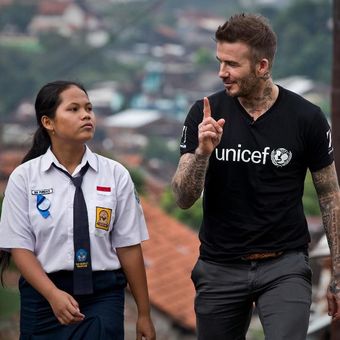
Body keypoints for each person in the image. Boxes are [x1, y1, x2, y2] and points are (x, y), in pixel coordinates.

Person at [172, 13, 340, 340]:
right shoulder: (204, 113)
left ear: (262, 67)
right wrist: (202, 152)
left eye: (232, 64)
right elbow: (182, 197)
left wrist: (337, 275)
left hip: (284, 265)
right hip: (220, 264)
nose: (222, 72)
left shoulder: (306, 117)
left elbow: (330, 197)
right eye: (220, 62)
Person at [0, 80, 156, 340]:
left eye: (89, 108)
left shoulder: (115, 174)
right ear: (48, 123)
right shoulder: (24, 178)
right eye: (73, 109)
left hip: (102, 295)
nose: (86, 115)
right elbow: (20, 248)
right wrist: (52, 294)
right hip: (43, 298)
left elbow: (128, 246)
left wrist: (144, 313)